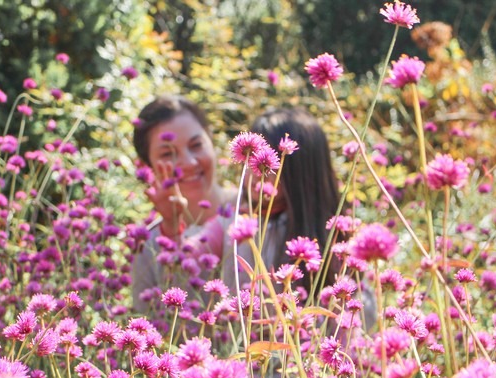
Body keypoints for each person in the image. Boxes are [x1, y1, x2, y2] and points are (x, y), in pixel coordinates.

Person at [130, 95, 234, 313]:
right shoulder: (148, 246)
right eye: (168, 154)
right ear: (147, 165)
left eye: (196, 145)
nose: (188, 162)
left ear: (211, 142)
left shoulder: (255, 210)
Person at [225, 106, 345, 295]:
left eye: (269, 162)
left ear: (300, 172)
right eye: (251, 158)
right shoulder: (232, 221)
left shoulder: (332, 241)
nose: (256, 172)